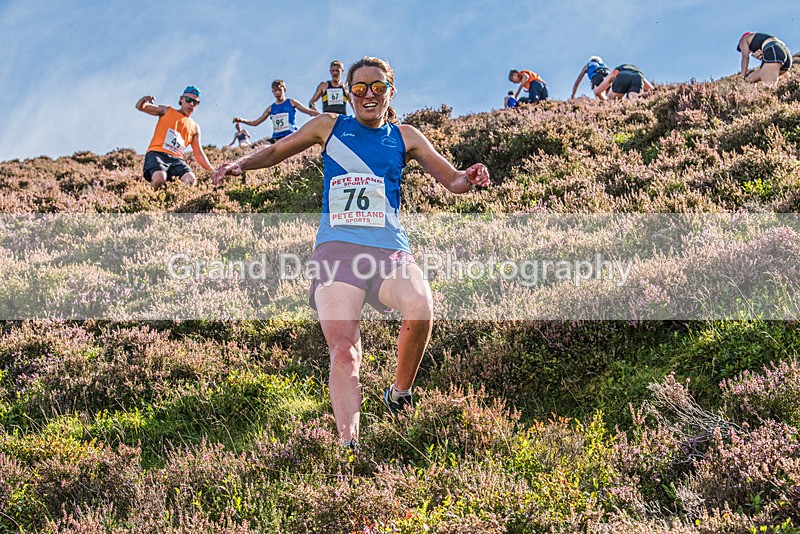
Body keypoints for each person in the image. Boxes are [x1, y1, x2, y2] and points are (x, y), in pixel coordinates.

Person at [213, 57, 490, 449]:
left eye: (378, 87)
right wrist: (241, 164)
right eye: (360, 88)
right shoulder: (329, 126)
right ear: (348, 93)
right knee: (344, 350)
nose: (369, 95)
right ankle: (349, 447)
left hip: (389, 250)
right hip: (336, 253)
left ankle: (399, 393)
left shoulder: (405, 135)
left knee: (421, 305)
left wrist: (471, 177)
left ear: (390, 91)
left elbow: (452, 180)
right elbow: (278, 151)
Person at [135, 86, 214, 190]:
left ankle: (177, 201)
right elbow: (140, 107)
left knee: (190, 180)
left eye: (195, 102)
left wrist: (213, 171)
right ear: (181, 99)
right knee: (159, 178)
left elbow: (199, 154)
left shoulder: (195, 127)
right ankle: (154, 200)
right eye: (189, 100)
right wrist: (144, 100)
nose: (191, 104)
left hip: (176, 159)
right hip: (157, 153)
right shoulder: (166, 111)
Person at [233, 79, 319, 144]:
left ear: (284, 90)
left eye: (279, 90)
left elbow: (309, 112)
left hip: (291, 136)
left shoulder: (291, 102)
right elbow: (256, 123)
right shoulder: (271, 108)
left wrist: (326, 115)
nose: (277, 92)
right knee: (263, 147)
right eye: (275, 90)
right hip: (276, 138)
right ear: (272, 92)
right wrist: (241, 120)